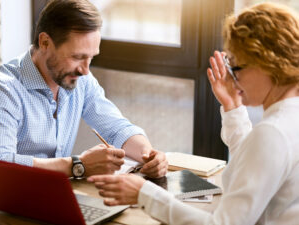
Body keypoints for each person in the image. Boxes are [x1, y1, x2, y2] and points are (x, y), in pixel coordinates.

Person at [88, 3, 299, 224]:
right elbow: (253, 166)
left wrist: (145, 194)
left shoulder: (272, 133)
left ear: (267, 64)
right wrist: (233, 107)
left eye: (236, 67)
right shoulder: (288, 120)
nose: (231, 78)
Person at [0, 0, 168, 203]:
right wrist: (77, 165)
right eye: (77, 57)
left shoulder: (81, 80)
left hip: (50, 201)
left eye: (90, 58)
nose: (85, 70)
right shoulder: (2, 90)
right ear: (45, 42)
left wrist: (148, 155)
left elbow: (117, 128)